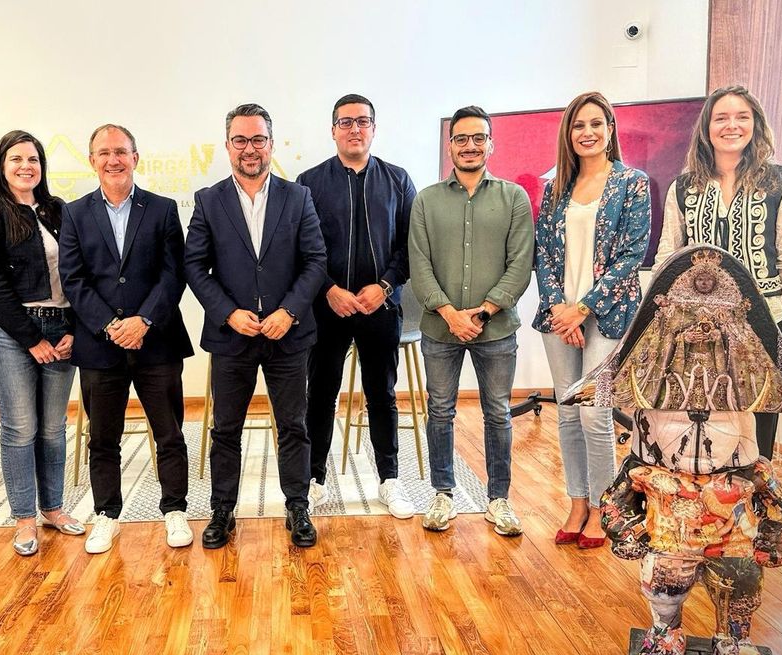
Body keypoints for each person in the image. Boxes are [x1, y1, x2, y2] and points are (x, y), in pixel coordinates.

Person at [185, 103, 327, 549]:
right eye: (241, 140)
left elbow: (315, 260)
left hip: (289, 334)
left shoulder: (297, 196)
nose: (250, 149)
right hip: (233, 335)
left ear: (271, 143)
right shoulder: (208, 200)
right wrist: (227, 312)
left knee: (294, 426)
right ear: (227, 145)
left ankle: (297, 506)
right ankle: (223, 510)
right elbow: (194, 265)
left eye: (258, 139)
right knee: (226, 428)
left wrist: (290, 311)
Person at [655, 85, 782, 459]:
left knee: (760, 424)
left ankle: (754, 510)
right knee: (703, 422)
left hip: (764, 322)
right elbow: (667, 258)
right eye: (721, 117)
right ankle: (707, 508)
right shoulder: (683, 187)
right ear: (707, 128)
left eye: (742, 116)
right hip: (696, 328)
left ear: (755, 124)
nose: (732, 125)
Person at [59, 124, 194, 554]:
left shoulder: (163, 209)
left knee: (169, 432)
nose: (113, 159)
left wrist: (144, 321)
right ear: (91, 160)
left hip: (157, 342)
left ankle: (174, 509)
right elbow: (74, 278)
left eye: (121, 151)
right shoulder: (75, 213)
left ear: (135, 157)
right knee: (103, 437)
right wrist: (110, 325)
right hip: (100, 346)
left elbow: (175, 274)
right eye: (104, 152)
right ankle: (106, 515)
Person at [532, 92, 651, 548]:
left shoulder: (632, 183)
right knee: (567, 411)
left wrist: (583, 308)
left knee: (595, 415)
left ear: (610, 129)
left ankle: (605, 505)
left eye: (596, 124)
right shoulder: (556, 188)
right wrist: (562, 311)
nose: (587, 132)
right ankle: (577, 502)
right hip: (559, 315)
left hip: (609, 313)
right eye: (579, 125)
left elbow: (630, 255)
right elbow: (543, 254)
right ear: (569, 133)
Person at [408, 105, 533, 535]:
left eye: (478, 137)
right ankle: (443, 494)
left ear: (490, 143)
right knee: (440, 411)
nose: (469, 145)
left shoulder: (514, 197)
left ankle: (498, 500)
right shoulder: (425, 200)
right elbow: (418, 264)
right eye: (461, 138)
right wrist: (448, 312)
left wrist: (481, 313)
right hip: (440, 329)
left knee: (497, 413)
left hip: (495, 330)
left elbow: (520, 264)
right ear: (450, 145)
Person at [296, 94, 417, 519]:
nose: (354, 129)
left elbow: (409, 247)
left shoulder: (398, 180)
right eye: (345, 122)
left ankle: (389, 479)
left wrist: (384, 286)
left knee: (381, 395)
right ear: (333, 131)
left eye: (362, 121)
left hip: (379, 307)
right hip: (326, 307)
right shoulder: (308, 182)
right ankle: (314, 480)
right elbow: (301, 249)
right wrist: (328, 289)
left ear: (373, 129)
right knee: (321, 395)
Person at [0, 130, 84, 557]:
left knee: (53, 428)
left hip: (63, 328)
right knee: (21, 429)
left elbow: (77, 275)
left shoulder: (60, 210)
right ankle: (23, 518)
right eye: (15, 158)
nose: (25, 166)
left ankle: (53, 508)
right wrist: (31, 337)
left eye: (33, 159)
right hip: (12, 333)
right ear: (2, 164)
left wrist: (75, 327)